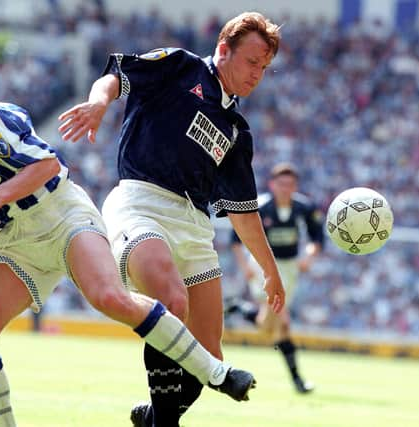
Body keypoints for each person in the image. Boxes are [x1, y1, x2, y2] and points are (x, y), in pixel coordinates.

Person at [0, 77, 256, 427]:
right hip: (10, 241)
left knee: (109, 297)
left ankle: (218, 373)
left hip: (62, 211)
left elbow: (47, 165)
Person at [58, 11, 285, 427]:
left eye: (265, 68)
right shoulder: (181, 66)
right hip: (141, 202)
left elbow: (243, 211)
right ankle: (165, 424)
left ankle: (155, 417)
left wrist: (269, 270)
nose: (257, 74)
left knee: (208, 355)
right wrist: (97, 103)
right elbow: (117, 74)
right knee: (171, 299)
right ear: (223, 49)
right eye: (252, 62)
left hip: (195, 225)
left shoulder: (236, 128)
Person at [228, 162, 323, 393]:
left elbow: (317, 238)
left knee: (268, 328)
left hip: (290, 268)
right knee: (284, 322)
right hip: (264, 264)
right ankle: (298, 381)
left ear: (295, 186)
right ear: (272, 184)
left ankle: (240, 309)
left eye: (290, 184)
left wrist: (308, 258)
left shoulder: (305, 207)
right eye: (281, 183)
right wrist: (245, 267)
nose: (285, 188)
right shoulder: (261, 207)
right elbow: (236, 238)